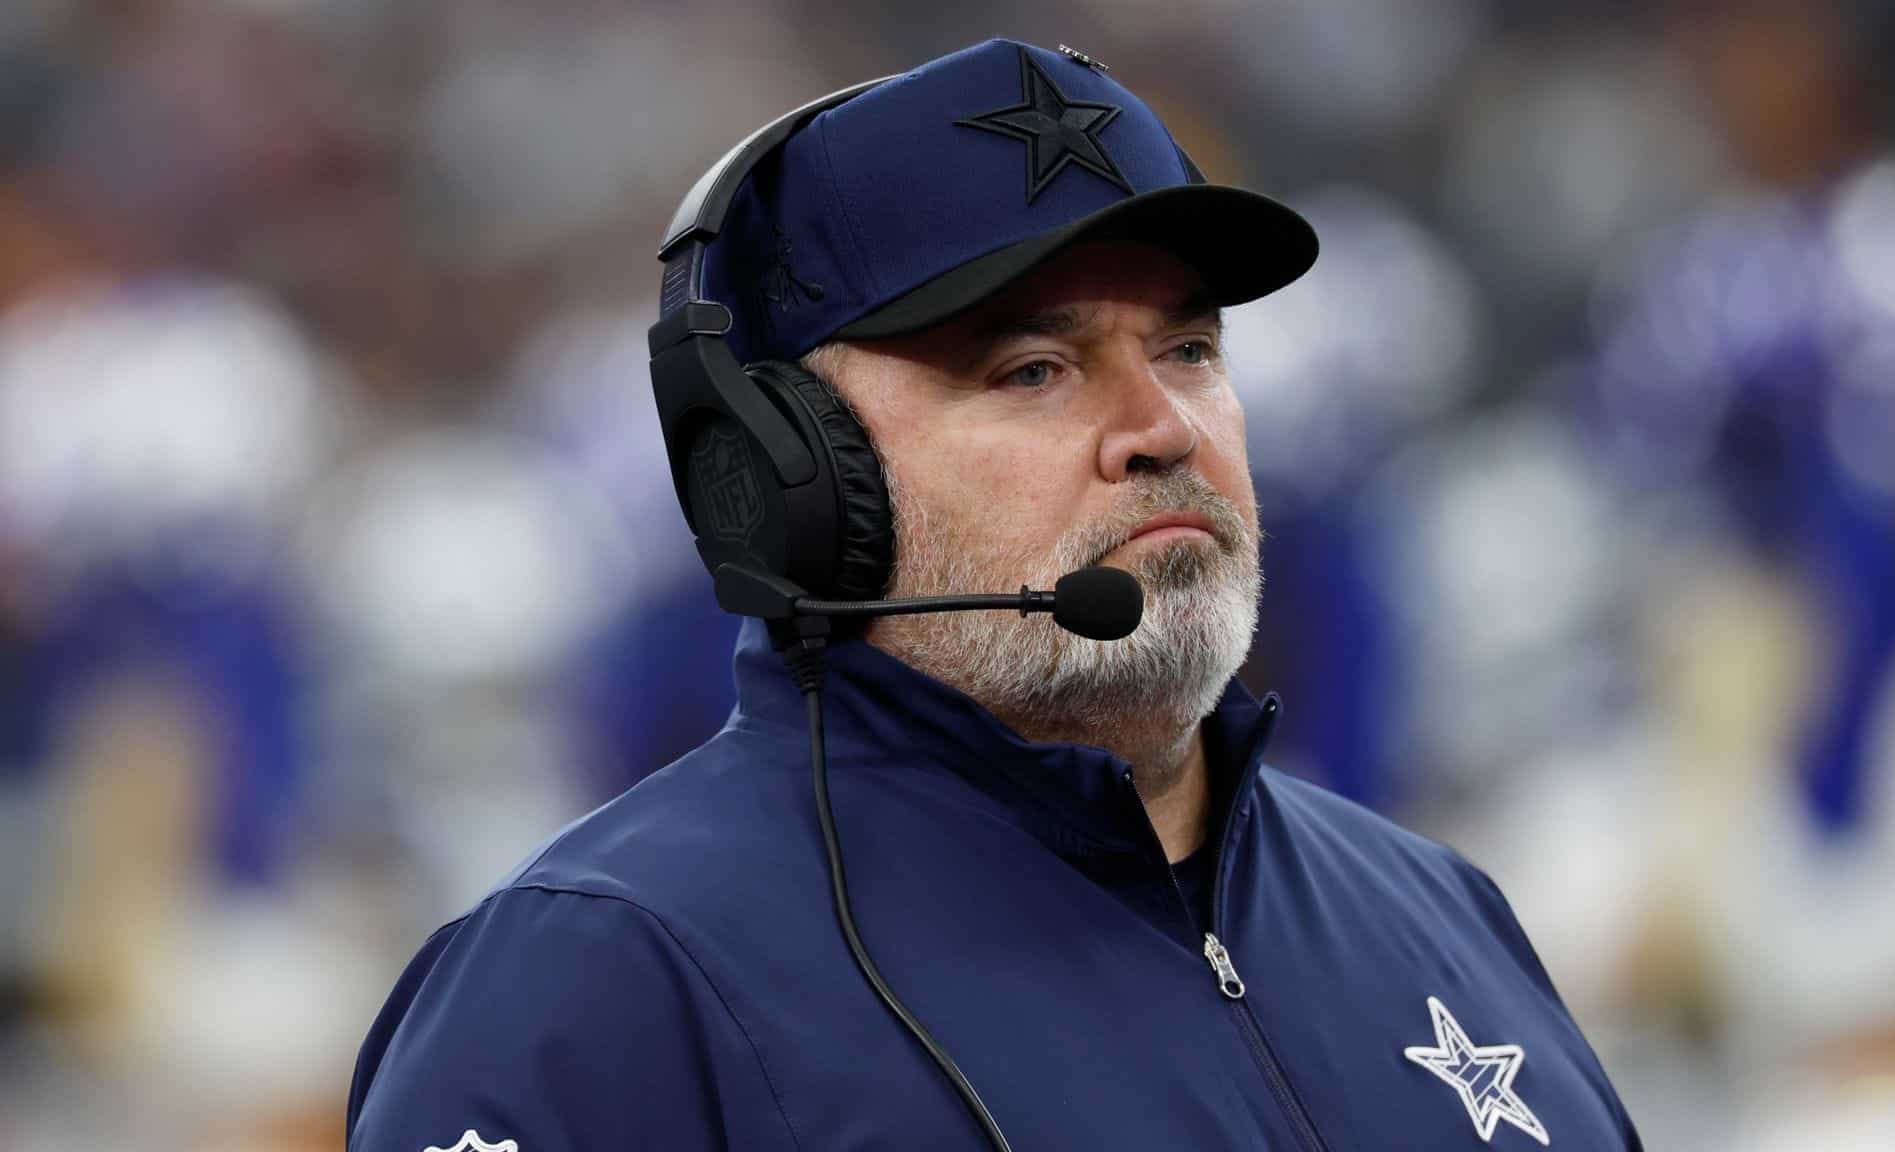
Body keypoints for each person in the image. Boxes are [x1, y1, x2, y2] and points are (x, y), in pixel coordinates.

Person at [346, 38, 1641, 1151]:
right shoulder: (599, 987)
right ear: (793, 476)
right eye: (1034, 368)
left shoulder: (1435, 913)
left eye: (1189, 349)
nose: (1161, 426)